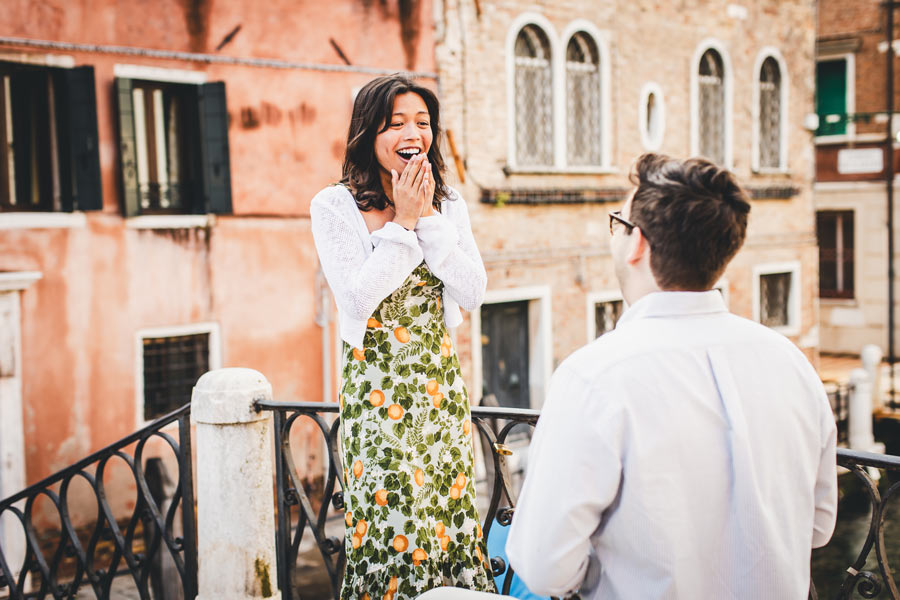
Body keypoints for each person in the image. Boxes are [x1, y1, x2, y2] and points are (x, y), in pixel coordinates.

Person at [505, 153, 838, 599]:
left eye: (616, 223)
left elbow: (545, 569)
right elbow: (818, 527)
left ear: (636, 243)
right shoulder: (791, 362)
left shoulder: (594, 376)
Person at [310, 74, 495, 600]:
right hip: (377, 395)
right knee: (394, 531)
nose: (412, 132)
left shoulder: (449, 203)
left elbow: (473, 290)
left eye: (421, 121)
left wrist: (430, 220)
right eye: (396, 123)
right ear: (370, 134)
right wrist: (403, 224)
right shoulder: (334, 206)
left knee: (449, 522)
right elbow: (356, 300)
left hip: (439, 393)